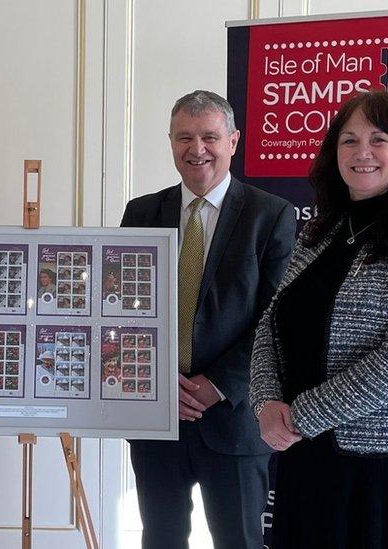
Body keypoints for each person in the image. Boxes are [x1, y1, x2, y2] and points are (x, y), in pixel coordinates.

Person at [249, 90, 388, 548]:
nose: (362, 152)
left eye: (378, 139)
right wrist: (265, 403)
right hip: (309, 455)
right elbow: (271, 322)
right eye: (348, 140)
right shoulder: (318, 233)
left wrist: (302, 416)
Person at [121, 90, 295, 549]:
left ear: (234, 141)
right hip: (158, 417)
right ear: (171, 142)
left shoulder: (271, 215)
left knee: (239, 540)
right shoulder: (140, 214)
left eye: (209, 137)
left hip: (234, 418)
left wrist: (215, 384)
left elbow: (276, 320)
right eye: (184, 137)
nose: (196, 149)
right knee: (160, 538)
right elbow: (119, 312)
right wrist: (158, 381)